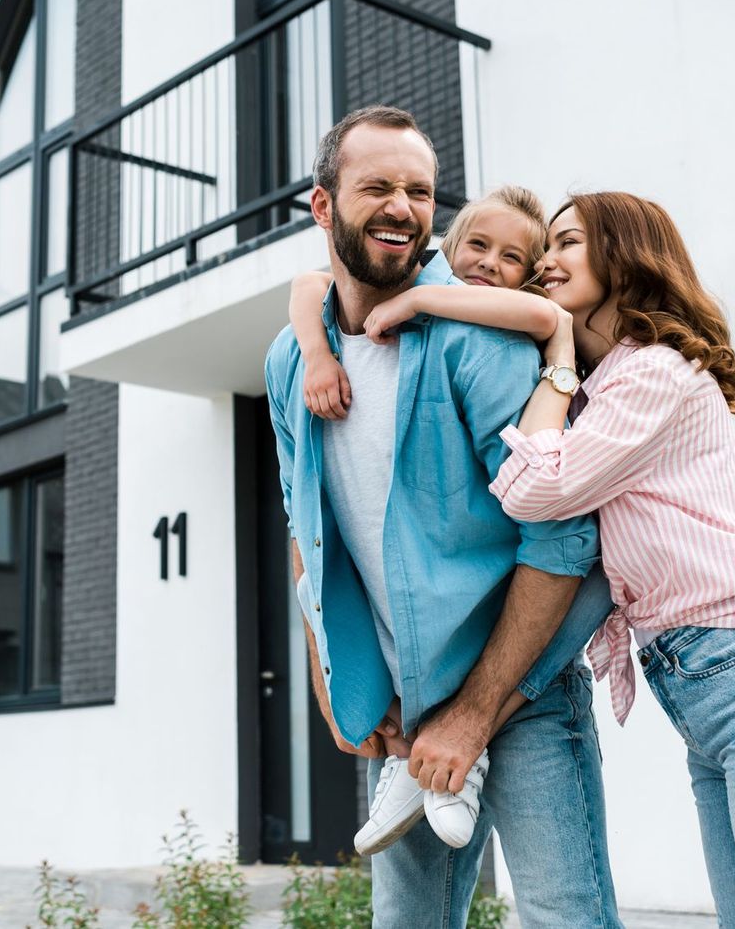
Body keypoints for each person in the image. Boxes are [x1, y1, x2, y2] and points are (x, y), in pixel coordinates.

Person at [363, 189, 735, 927]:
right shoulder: (607, 392)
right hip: (711, 692)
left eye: (566, 243)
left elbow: (533, 491)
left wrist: (541, 351)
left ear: (624, 255)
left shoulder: (652, 372)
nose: (544, 262)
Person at [263, 105, 621, 929]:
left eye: (418, 191)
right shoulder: (291, 358)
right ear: (323, 207)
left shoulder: (475, 336)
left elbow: (563, 534)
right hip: (404, 705)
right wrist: (330, 676)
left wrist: (476, 711)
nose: (401, 207)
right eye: (377, 187)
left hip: (518, 689)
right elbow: (302, 529)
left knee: (566, 918)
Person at [288, 185, 575, 852]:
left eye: (512, 256)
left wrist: (415, 298)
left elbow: (541, 318)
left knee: (561, 901)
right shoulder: (328, 336)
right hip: (404, 673)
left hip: (514, 657)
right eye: (477, 245)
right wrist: (315, 353)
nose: (489, 263)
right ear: (449, 244)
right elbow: (309, 282)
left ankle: (462, 750)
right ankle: (427, 761)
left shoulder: (500, 328)